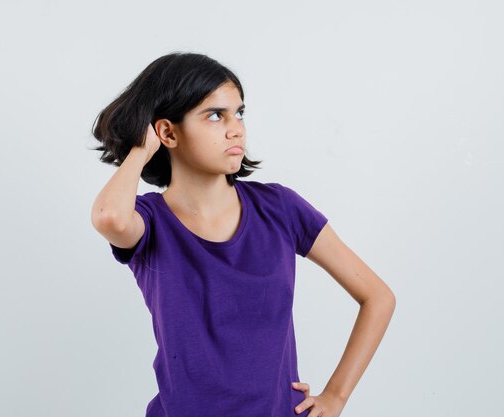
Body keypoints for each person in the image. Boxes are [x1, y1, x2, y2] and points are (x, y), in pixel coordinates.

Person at [90, 52, 396, 417]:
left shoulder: (279, 208)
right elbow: (108, 217)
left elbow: (378, 297)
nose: (236, 128)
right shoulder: (150, 223)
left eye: (240, 113)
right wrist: (141, 149)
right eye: (215, 115)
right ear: (168, 132)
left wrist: (336, 397)